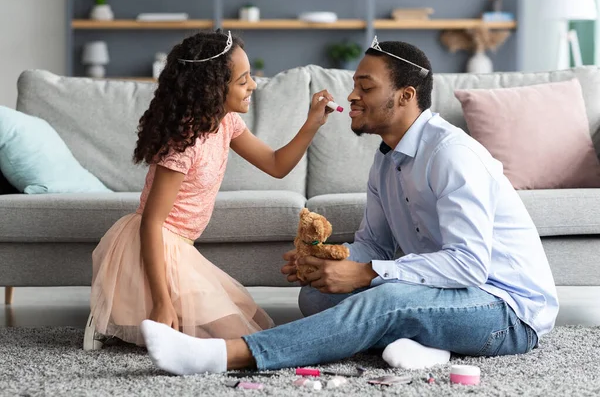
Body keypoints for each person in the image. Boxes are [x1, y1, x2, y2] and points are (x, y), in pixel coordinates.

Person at [138, 37, 559, 375]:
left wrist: (363, 273)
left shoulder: (451, 155)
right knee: (315, 296)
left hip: (504, 309)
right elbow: (374, 244)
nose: (352, 96)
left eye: (366, 87)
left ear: (405, 95)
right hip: (443, 292)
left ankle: (225, 355)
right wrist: (326, 260)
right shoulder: (385, 159)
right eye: (355, 85)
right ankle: (427, 342)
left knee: (386, 298)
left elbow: (469, 265)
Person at [84, 29, 336, 350]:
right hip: (155, 245)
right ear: (214, 88)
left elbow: (276, 164)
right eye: (243, 81)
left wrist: (312, 122)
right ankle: (115, 317)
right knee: (237, 340)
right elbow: (151, 223)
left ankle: (131, 316)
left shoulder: (227, 122)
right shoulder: (183, 142)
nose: (253, 86)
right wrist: (163, 301)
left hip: (182, 251)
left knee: (254, 326)